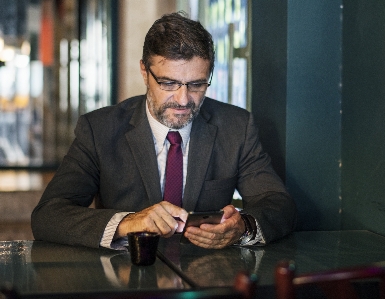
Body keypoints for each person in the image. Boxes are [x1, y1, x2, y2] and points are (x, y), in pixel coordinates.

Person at [31, 12, 296, 250]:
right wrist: (128, 222)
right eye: (169, 83)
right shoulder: (99, 130)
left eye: (196, 85)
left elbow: (278, 204)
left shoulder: (236, 126)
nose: (183, 100)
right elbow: (48, 216)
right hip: (126, 277)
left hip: (207, 277)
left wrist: (243, 227)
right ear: (145, 72)